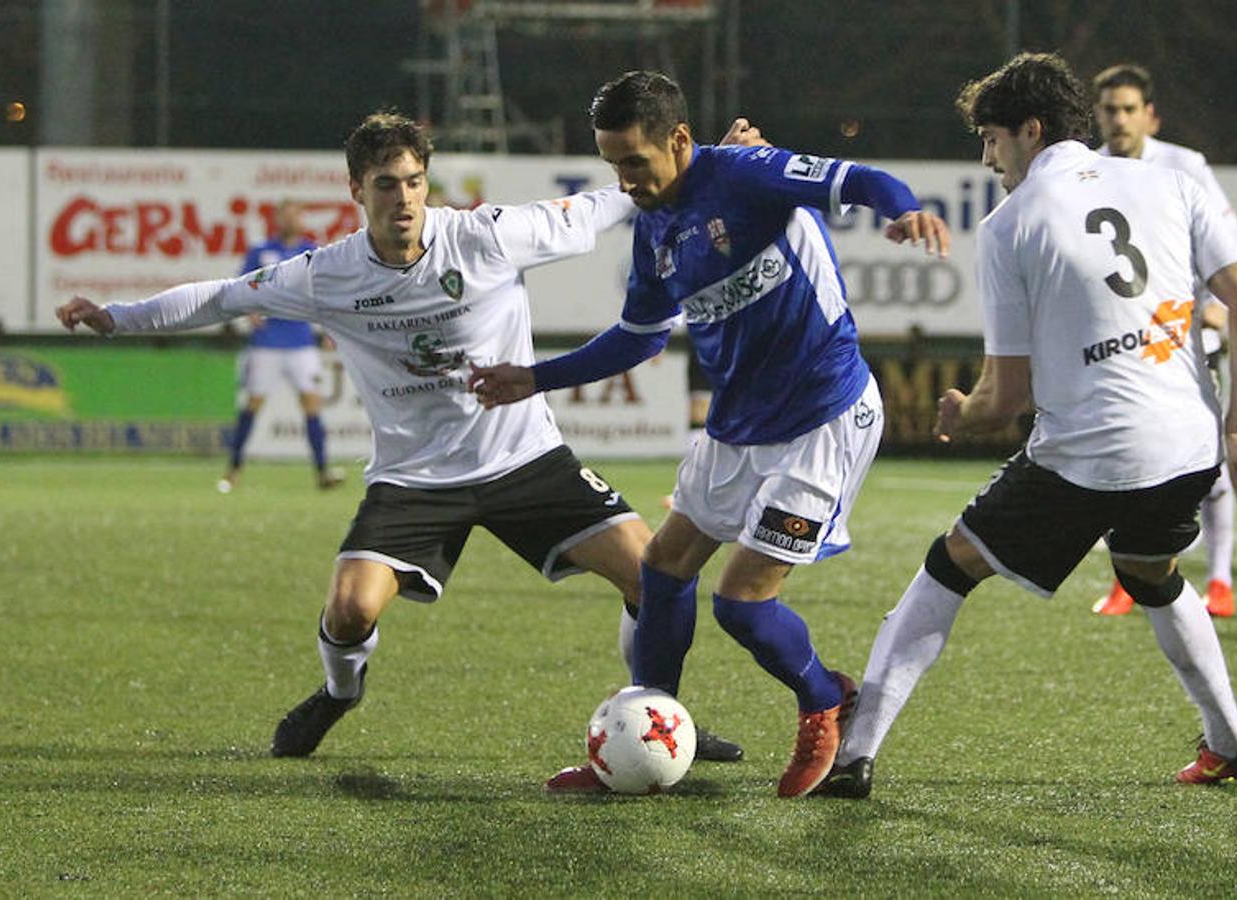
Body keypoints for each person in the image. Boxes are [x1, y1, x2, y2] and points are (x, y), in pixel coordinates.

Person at [56, 110, 746, 768]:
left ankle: (659, 717)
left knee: (655, 576)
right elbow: (222, 297)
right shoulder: (328, 274)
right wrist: (115, 318)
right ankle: (339, 693)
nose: (404, 198)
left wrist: (703, 157)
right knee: (351, 609)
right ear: (357, 190)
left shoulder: (490, 235)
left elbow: (612, 202)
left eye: (414, 182)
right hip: (414, 478)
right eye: (386, 185)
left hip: (525, 459)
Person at [814, 53, 1237, 799]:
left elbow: (1006, 399)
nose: (986, 157)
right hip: (1190, 447)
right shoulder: (1174, 182)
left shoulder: (1011, 225)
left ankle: (854, 755)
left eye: (992, 138)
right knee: (1149, 571)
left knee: (951, 564)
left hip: (1088, 458)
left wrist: (959, 412)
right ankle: (1231, 740)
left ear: (1030, 132)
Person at [471, 71, 949, 797]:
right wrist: (532, 378)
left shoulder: (747, 173)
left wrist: (905, 209)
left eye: (634, 161)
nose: (624, 180)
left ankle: (825, 698)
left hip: (823, 414)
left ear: (680, 140)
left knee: (742, 603)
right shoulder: (656, 228)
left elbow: (862, 178)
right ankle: (644, 732)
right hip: (735, 426)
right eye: (612, 165)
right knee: (663, 571)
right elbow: (635, 339)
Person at [1091, 63, 1237, 617]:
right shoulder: (1086, 171)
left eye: (1129, 109)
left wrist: (1216, 310)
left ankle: (1221, 580)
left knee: (1209, 457)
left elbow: (1227, 243)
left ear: (1149, 114)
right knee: (1117, 456)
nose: (1119, 119)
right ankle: (1125, 577)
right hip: (1118, 340)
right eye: (1109, 109)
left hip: (1185, 335)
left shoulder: (1185, 165)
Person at [219, 199, 343, 493]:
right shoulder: (260, 251)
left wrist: (330, 326)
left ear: (302, 219)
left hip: (301, 342)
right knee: (253, 404)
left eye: (294, 215)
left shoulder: (312, 251)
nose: (289, 221)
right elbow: (240, 287)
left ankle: (323, 471)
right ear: (276, 219)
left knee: (312, 405)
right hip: (267, 344)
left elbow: (327, 291)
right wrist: (248, 311)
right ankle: (233, 470)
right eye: (284, 215)